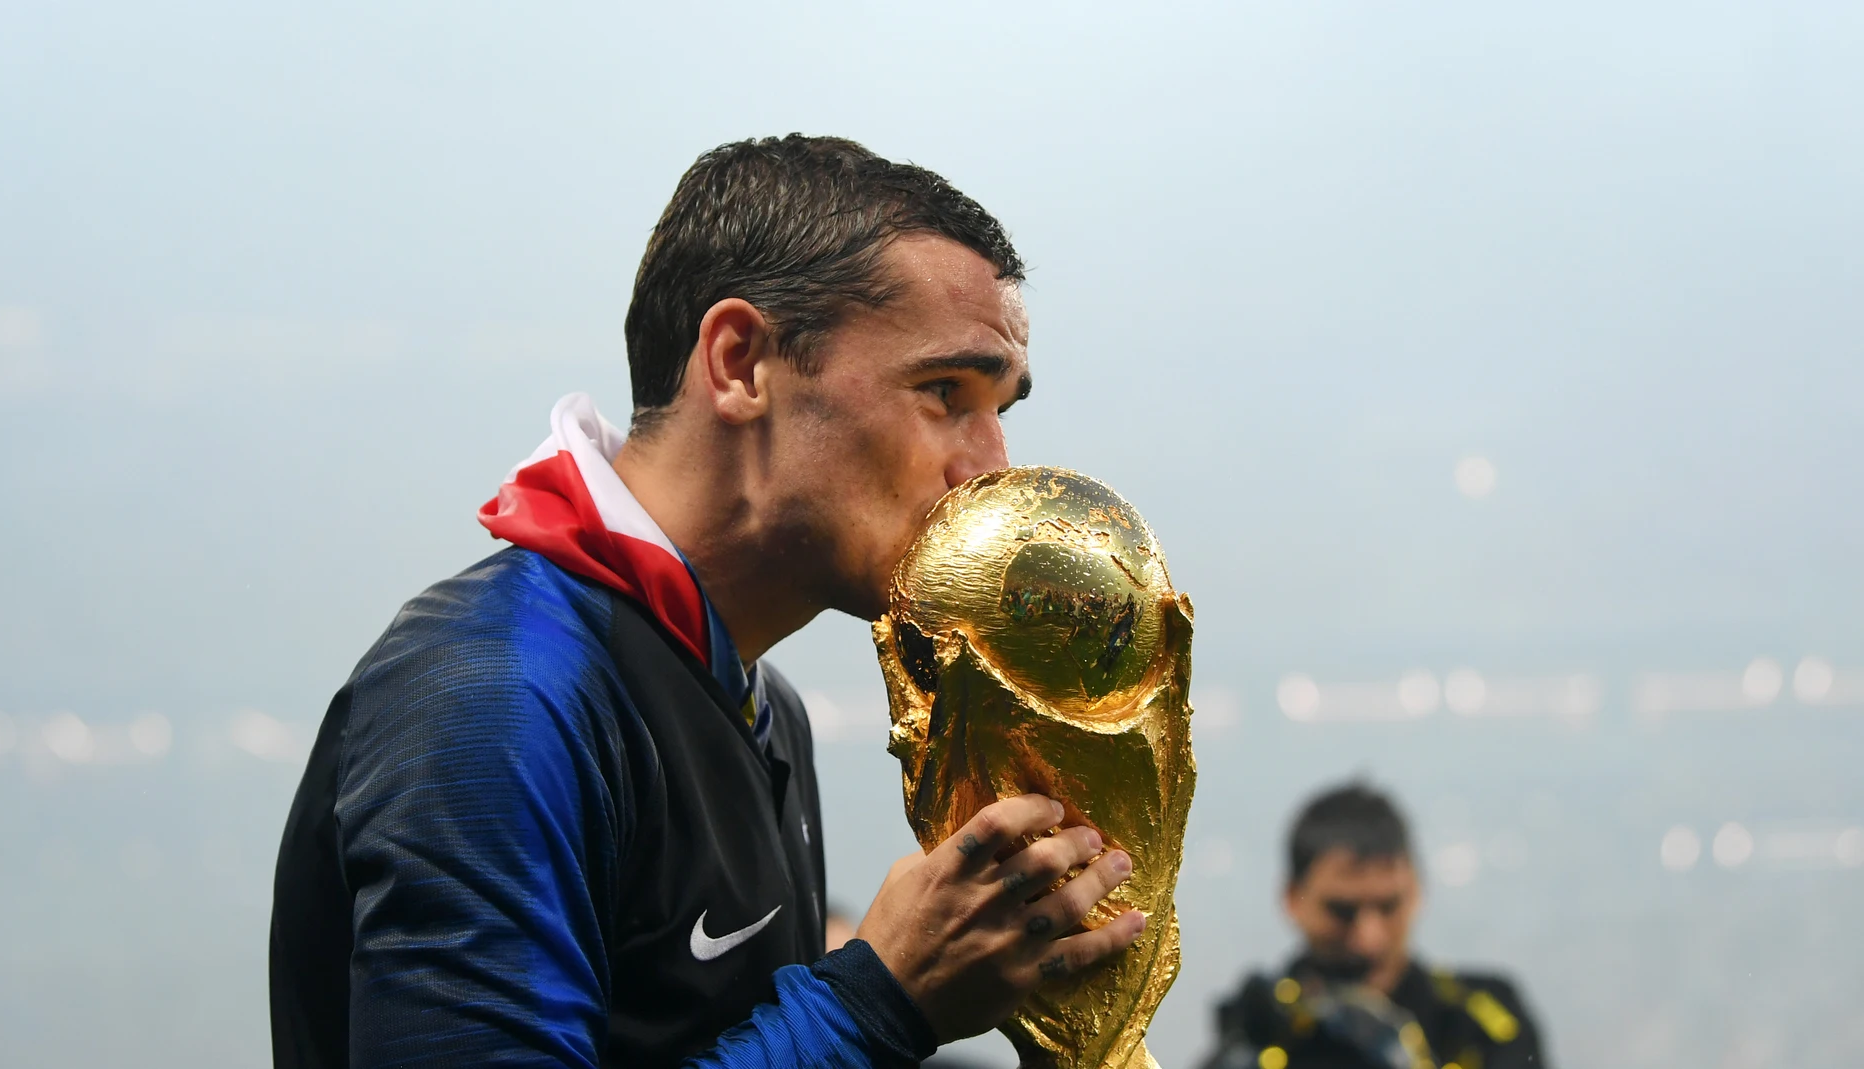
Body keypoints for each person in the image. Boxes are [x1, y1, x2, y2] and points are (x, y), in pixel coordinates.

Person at [267, 134, 1145, 1069]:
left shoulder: (768, 710)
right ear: (738, 363)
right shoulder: (493, 691)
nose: (991, 470)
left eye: (1002, 409)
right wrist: (880, 1003)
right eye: (944, 391)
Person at [1199, 784, 1550, 1069]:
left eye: (1388, 906)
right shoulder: (1256, 1034)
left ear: (1418, 890)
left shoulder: (1486, 1019)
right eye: (1342, 911)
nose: (1369, 939)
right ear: (1292, 898)